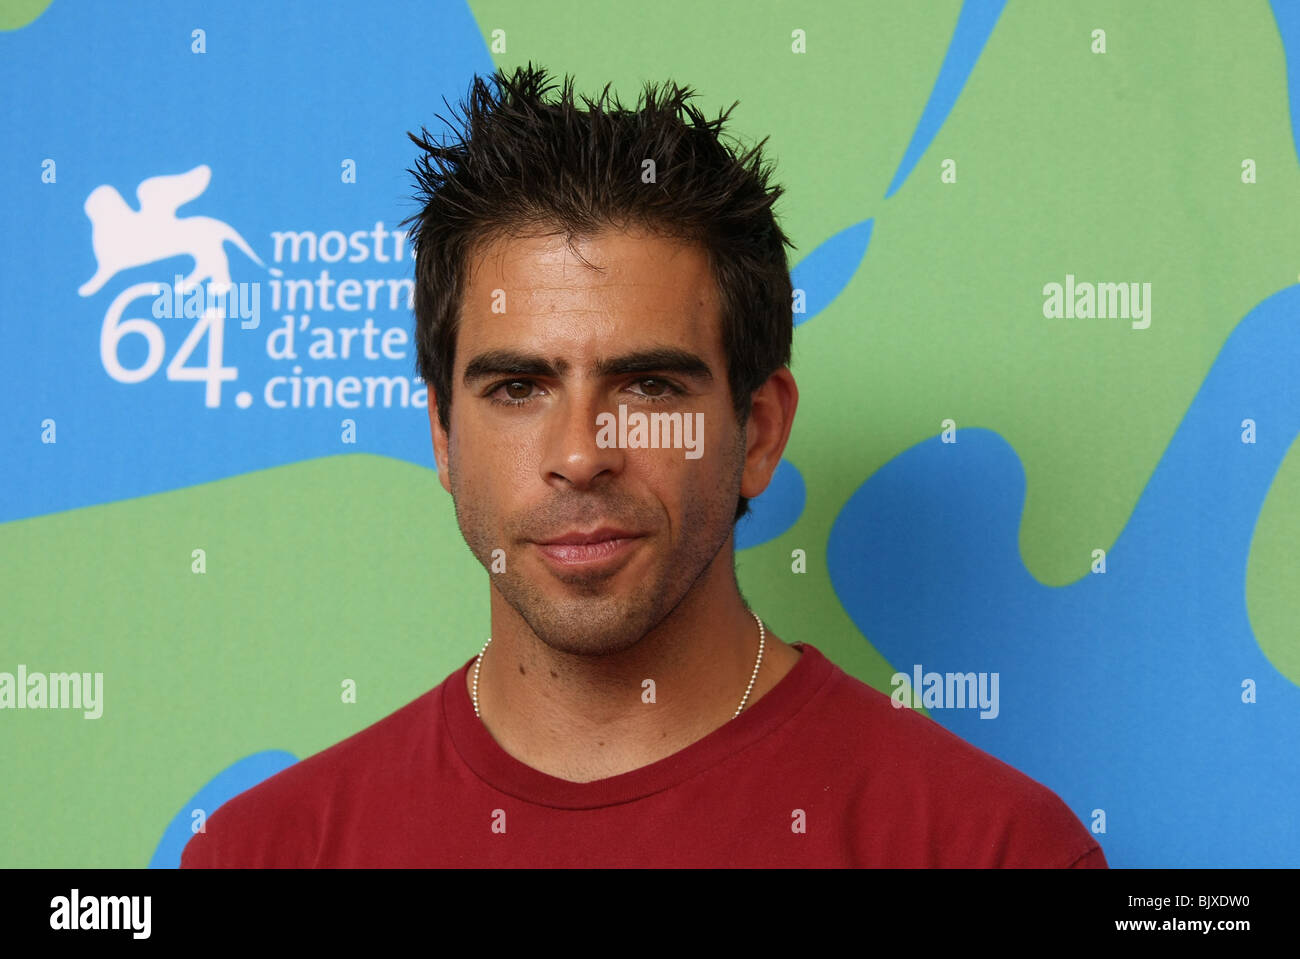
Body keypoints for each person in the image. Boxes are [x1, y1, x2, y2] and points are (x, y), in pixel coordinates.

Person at [182, 64, 1106, 868]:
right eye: (516, 388)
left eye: (651, 386)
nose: (581, 454)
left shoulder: (991, 848)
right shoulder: (263, 853)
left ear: (758, 433)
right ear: (442, 435)